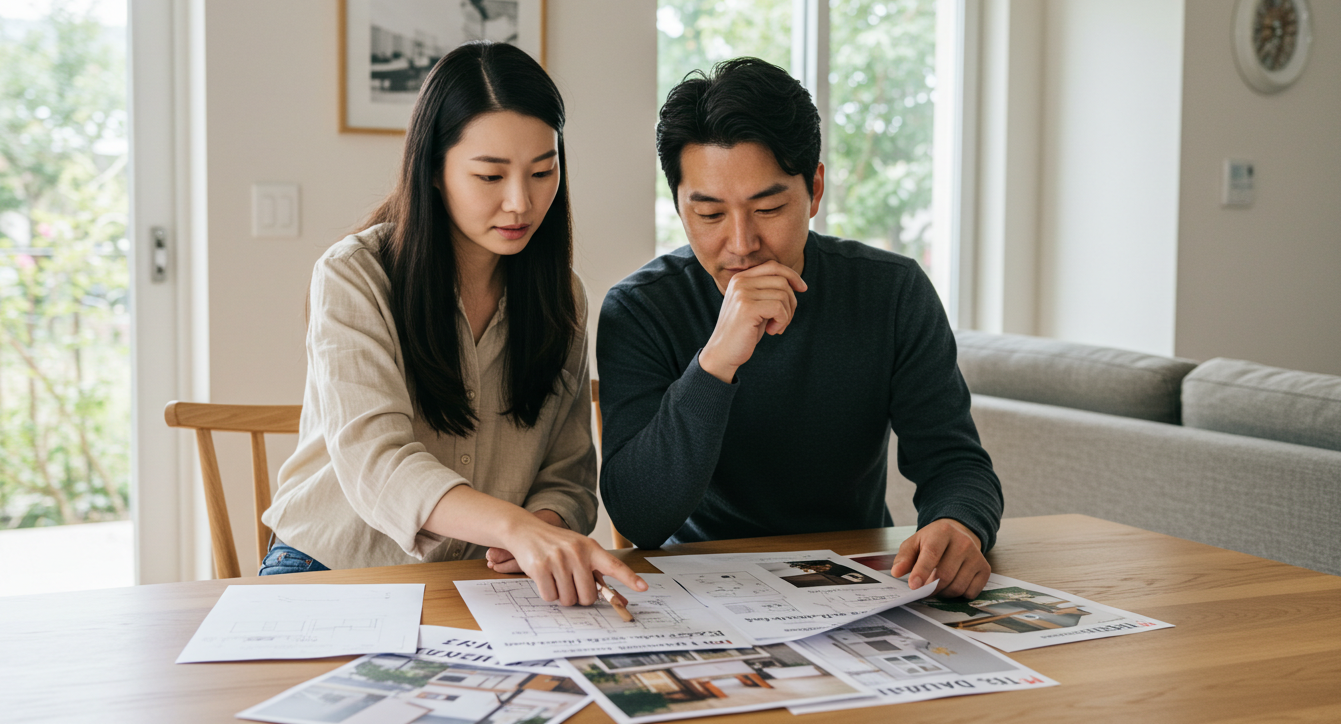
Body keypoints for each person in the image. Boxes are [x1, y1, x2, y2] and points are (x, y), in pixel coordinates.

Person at [597, 58, 1002, 599]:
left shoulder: (891, 291)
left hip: (856, 581)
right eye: (710, 215)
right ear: (679, 205)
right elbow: (640, 517)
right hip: (700, 590)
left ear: (814, 190)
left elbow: (954, 461)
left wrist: (958, 523)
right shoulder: (639, 309)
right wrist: (716, 362)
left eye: (767, 207)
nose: (741, 244)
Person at [261, 42, 645, 606]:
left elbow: (567, 471)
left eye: (543, 171)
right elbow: (378, 462)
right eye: (490, 177)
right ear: (435, 170)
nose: (521, 202)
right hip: (332, 566)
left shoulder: (561, 296)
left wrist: (539, 528)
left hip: (484, 581)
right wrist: (515, 528)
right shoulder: (356, 276)